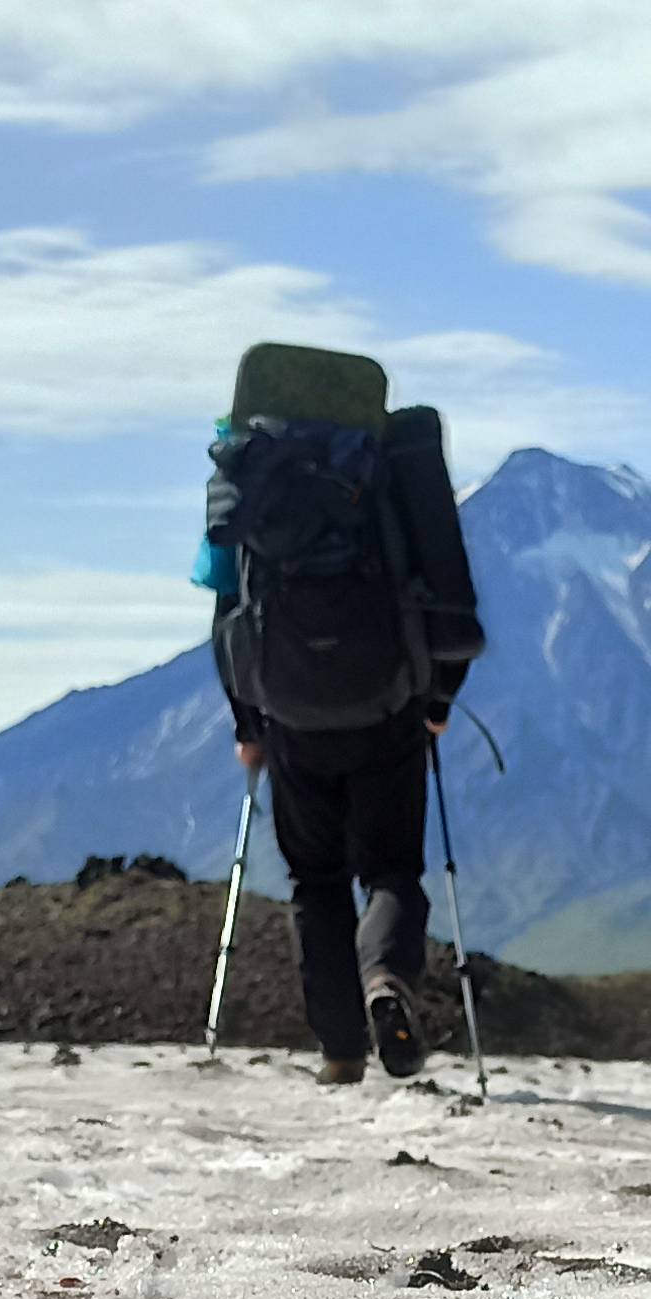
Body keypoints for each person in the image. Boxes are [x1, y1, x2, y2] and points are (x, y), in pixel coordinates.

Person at [204, 417, 472, 1084]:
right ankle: (384, 977)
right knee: (390, 870)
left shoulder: (249, 479)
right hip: (388, 709)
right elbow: (444, 589)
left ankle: (341, 1053)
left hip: (291, 717)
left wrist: (248, 724)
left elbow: (226, 607)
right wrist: (437, 703)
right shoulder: (382, 474)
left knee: (316, 882)